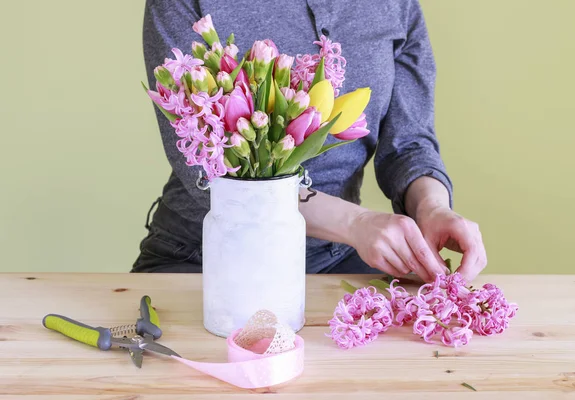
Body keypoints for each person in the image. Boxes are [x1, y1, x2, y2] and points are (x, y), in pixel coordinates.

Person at [131, 0, 487, 283]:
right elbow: (207, 165)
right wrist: (354, 223)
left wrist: (433, 208)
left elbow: (409, 144)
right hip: (202, 258)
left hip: (339, 258)